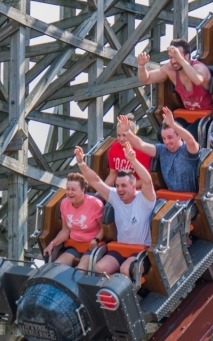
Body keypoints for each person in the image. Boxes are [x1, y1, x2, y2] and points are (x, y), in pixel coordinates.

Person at [73, 145, 156, 278]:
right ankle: (113, 288)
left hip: (141, 251)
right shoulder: (115, 197)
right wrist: (81, 163)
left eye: (123, 185)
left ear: (133, 186)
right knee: (99, 269)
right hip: (120, 248)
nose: (120, 189)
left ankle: (125, 288)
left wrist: (133, 160)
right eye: (117, 186)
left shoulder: (145, 199)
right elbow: (95, 181)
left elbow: (147, 181)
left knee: (125, 270)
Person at [119, 110, 201, 194]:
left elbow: (191, 141)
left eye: (170, 137)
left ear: (179, 136)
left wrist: (173, 124)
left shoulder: (188, 150)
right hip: (169, 197)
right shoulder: (162, 150)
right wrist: (127, 132)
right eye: (164, 138)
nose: (167, 142)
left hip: (189, 198)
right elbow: (141, 145)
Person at [137, 39, 213, 114]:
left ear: (187, 56)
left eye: (176, 57)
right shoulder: (170, 69)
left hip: (208, 115)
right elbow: (146, 79)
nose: (173, 61)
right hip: (188, 115)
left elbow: (198, 80)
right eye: (171, 57)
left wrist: (180, 58)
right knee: (166, 123)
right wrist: (141, 66)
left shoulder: (199, 67)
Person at [43, 173, 104, 266]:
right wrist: (52, 243)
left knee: (81, 269)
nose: (69, 192)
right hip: (74, 245)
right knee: (55, 267)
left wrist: (96, 240)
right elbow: (65, 230)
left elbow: (103, 228)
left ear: (83, 190)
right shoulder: (64, 203)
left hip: (91, 247)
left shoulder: (95, 204)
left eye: (73, 189)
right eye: (68, 189)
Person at [105, 117, 152, 187]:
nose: (121, 139)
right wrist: (101, 190)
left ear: (133, 134)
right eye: (119, 135)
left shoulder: (143, 151)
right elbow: (113, 174)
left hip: (137, 188)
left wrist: (127, 187)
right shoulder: (114, 147)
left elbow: (146, 180)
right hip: (120, 187)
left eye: (124, 135)